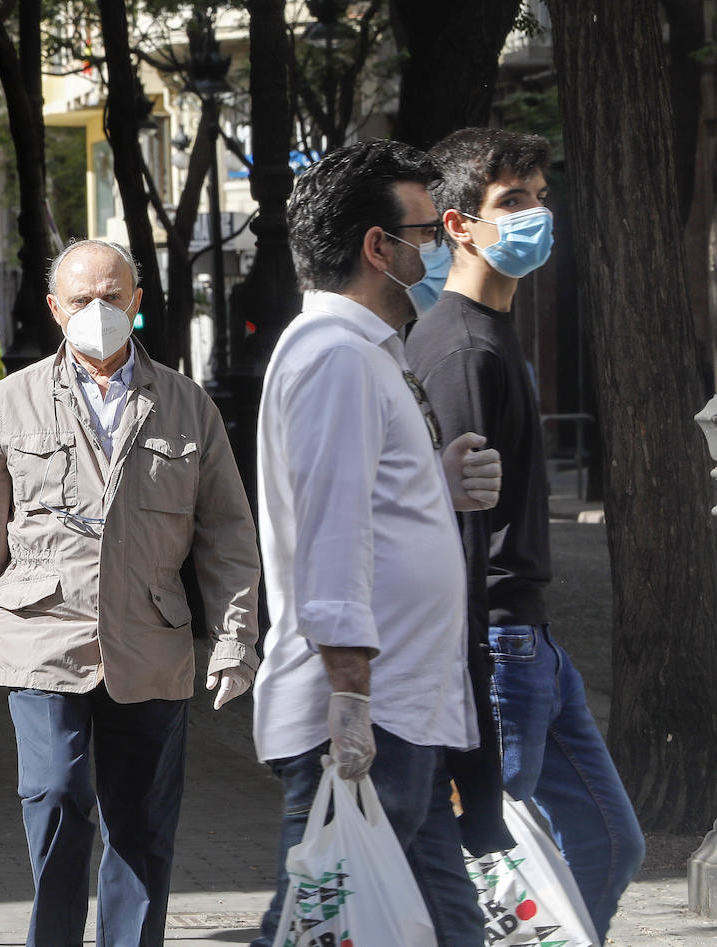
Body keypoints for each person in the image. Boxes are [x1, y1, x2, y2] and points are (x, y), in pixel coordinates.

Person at [0, 239, 262, 947]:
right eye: (82, 298)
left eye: (113, 296)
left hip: (150, 642)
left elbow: (229, 534)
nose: (98, 310)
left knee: (141, 824)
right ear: (55, 308)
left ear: (136, 302)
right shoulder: (10, 401)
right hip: (41, 637)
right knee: (56, 795)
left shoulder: (185, 403)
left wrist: (237, 639)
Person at [250, 140, 505, 947]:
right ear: (377, 247)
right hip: (367, 720)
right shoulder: (335, 358)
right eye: (428, 234)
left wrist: (436, 477)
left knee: (445, 927)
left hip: (404, 715)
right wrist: (351, 701)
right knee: (307, 929)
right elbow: (333, 535)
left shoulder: (366, 355)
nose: (437, 251)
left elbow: (369, 498)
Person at [404, 127, 643, 938]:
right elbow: (455, 530)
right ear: (457, 225)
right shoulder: (461, 348)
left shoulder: (494, 333)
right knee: (494, 875)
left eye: (539, 196)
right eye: (512, 201)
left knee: (612, 843)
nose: (537, 214)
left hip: (533, 641)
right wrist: (466, 667)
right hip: (498, 645)